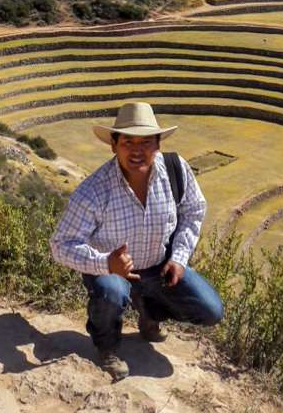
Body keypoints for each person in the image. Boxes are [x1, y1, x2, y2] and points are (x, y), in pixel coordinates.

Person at [50, 102, 224, 381]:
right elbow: (60, 245)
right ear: (114, 145)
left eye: (146, 142)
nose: (137, 150)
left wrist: (179, 258)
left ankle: (149, 314)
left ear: (158, 145)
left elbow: (193, 211)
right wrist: (105, 262)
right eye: (128, 142)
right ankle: (107, 346)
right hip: (111, 272)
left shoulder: (175, 169)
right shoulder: (94, 191)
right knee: (111, 292)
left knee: (211, 310)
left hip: (159, 266)